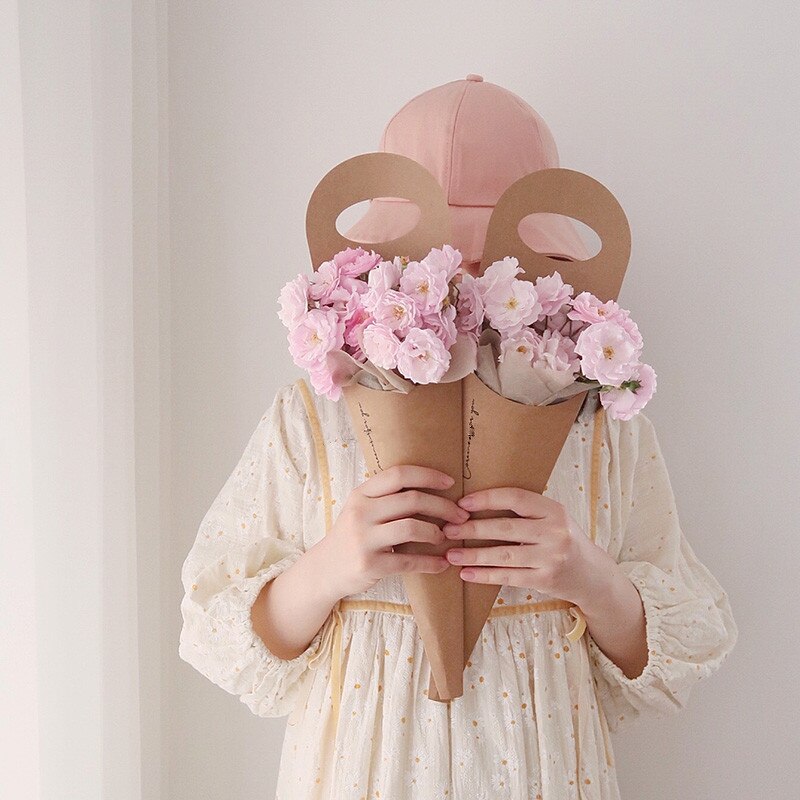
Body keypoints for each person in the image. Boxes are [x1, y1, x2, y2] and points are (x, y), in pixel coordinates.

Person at [178, 76, 738, 800]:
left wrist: (587, 576)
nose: (467, 277)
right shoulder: (313, 417)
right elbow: (215, 630)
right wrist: (329, 568)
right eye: (442, 254)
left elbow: (677, 652)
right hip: (359, 771)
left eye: (487, 257)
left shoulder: (600, 424)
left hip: (542, 768)